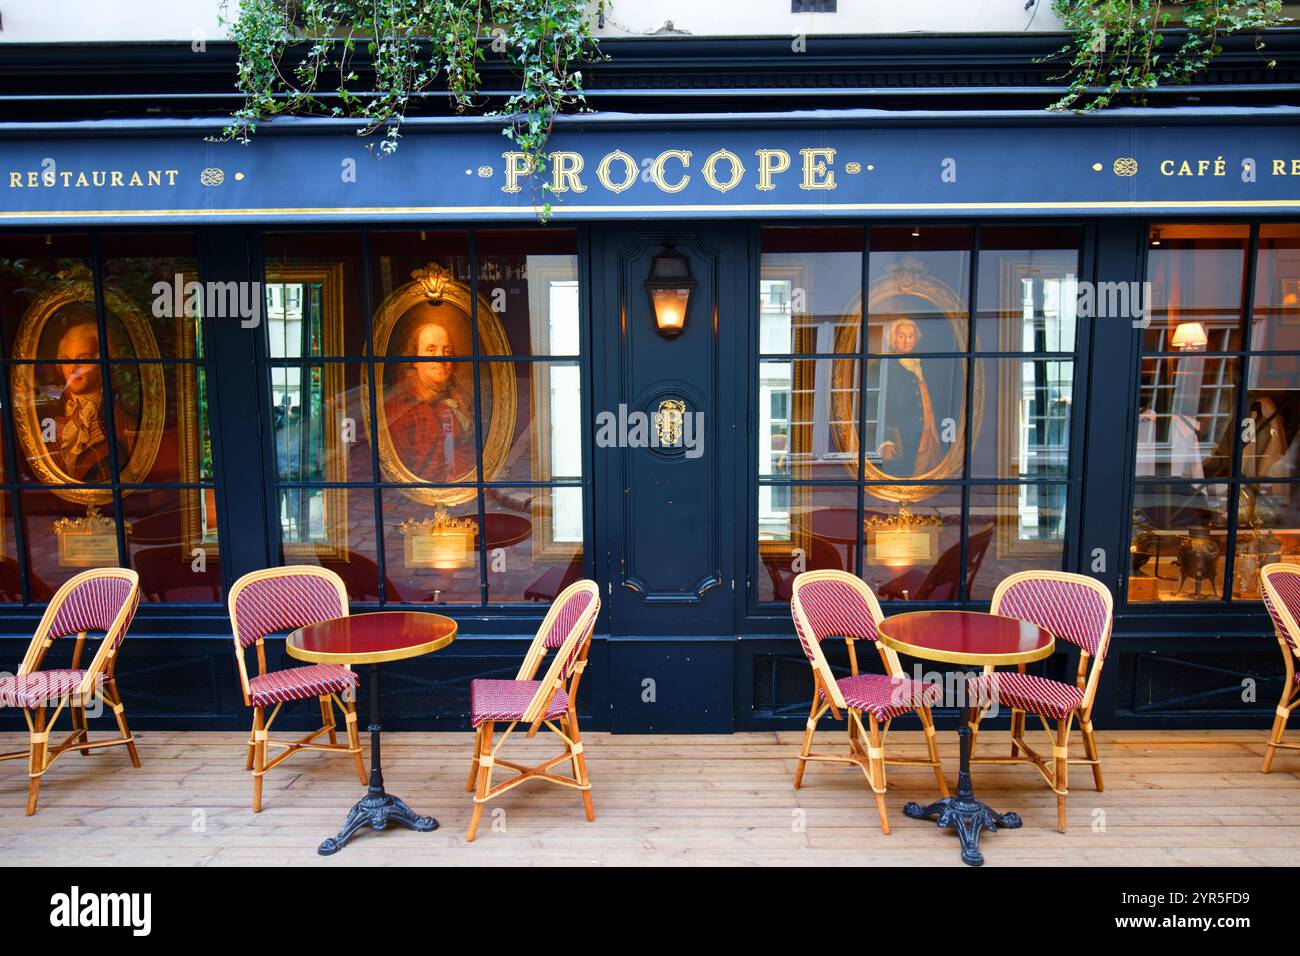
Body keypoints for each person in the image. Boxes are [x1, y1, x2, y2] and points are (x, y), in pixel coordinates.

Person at [384, 305, 476, 481]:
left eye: (446, 351)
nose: (441, 358)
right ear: (415, 359)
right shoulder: (400, 410)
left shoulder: (459, 397)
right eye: (431, 350)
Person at [47, 315, 131, 483]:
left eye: (83, 359)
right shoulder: (51, 413)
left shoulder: (120, 411)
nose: (73, 368)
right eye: (66, 360)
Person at [876, 317, 942, 477]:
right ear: (893, 338)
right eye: (901, 336)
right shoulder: (885, 365)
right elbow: (876, 405)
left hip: (929, 431)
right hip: (904, 434)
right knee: (906, 473)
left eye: (910, 336)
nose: (907, 341)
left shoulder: (924, 364)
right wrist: (885, 439)